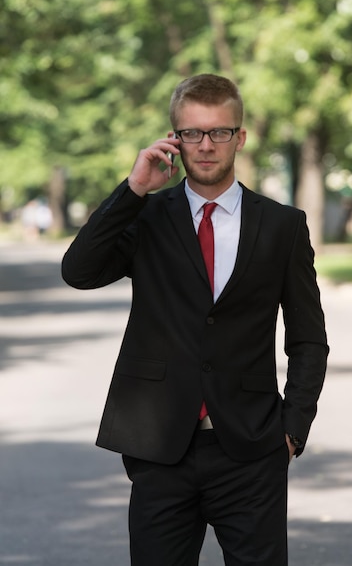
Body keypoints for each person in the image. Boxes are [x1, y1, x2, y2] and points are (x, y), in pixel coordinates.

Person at [62, 73, 329, 566]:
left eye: (219, 132)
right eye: (192, 133)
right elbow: (78, 272)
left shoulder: (282, 226)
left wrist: (294, 427)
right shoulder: (145, 215)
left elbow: (309, 339)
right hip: (160, 446)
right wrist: (133, 189)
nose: (206, 146)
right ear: (175, 139)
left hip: (251, 448)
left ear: (240, 137)